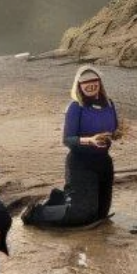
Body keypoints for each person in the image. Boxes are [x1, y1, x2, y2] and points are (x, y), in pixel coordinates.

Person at [22, 66, 119, 228]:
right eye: (85, 82)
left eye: (94, 81)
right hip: (81, 163)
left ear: (100, 83)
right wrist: (90, 140)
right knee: (81, 215)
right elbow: (68, 140)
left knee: (99, 215)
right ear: (79, 86)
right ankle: (35, 212)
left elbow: (113, 128)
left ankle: (60, 197)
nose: (90, 85)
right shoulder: (76, 107)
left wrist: (118, 133)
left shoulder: (109, 103)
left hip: (103, 162)